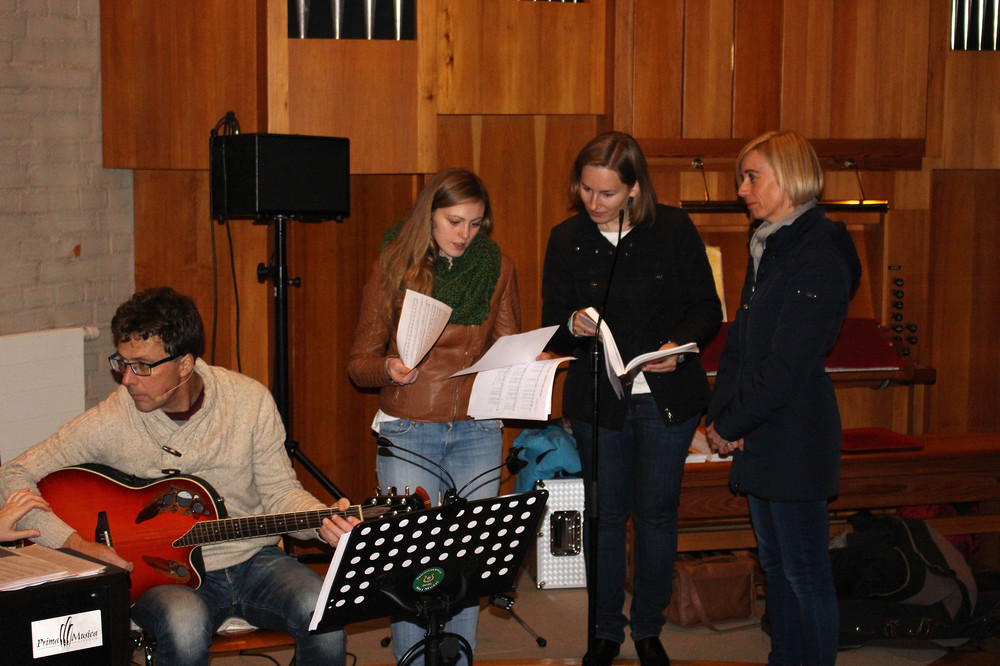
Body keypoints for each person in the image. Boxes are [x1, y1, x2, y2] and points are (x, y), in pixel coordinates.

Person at [0, 287, 359, 666]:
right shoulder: (112, 420)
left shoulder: (248, 402)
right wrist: (76, 544)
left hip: (255, 560)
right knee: (184, 626)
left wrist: (323, 523)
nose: (127, 379)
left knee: (324, 613)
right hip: (164, 577)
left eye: (142, 365)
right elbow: (13, 472)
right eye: (122, 362)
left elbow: (280, 491)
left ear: (185, 365)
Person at [541, 131, 723, 666]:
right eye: (586, 190)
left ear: (635, 189)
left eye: (608, 193)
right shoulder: (567, 238)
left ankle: (647, 629)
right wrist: (573, 324)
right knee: (604, 515)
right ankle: (604, 632)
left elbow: (706, 309)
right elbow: (552, 323)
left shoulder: (673, 229)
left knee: (656, 516)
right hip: (600, 399)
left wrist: (678, 350)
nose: (594, 203)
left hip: (666, 397)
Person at [347, 167, 521, 664]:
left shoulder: (497, 266)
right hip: (409, 429)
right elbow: (358, 365)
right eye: (454, 222)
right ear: (430, 216)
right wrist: (388, 368)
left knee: (466, 564)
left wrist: (530, 364)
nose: (465, 234)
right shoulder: (394, 265)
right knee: (412, 564)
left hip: (476, 428)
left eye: (475, 224)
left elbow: (509, 344)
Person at [705, 130, 862, 666]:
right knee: (776, 568)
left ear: (790, 178)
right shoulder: (770, 244)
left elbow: (788, 364)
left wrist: (733, 422)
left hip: (795, 436)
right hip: (761, 430)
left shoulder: (818, 254)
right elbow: (741, 344)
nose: (741, 189)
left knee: (804, 573)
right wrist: (720, 415)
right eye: (741, 178)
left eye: (752, 177)